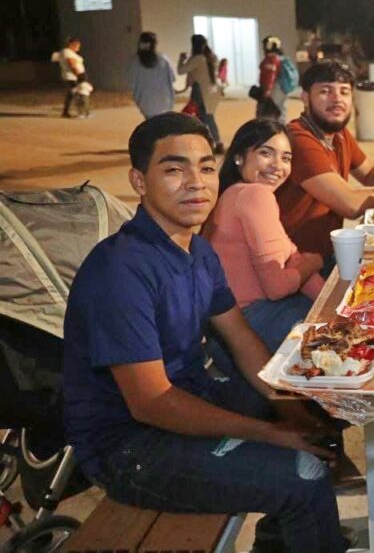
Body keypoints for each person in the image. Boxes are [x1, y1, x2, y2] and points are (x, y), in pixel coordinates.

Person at [62, 112, 349, 552]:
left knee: (323, 406)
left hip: (191, 397)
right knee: (304, 477)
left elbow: (241, 340)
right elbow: (151, 403)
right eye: (174, 169)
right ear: (139, 181)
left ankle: (290, 538)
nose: (196, 182)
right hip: (131, 447)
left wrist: (289, 408)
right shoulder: (120, 270)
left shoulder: (197, 250)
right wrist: (271, 433)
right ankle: (305, 525)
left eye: (206, 167)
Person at [203, 118, 325, 380]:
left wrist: (333, 308)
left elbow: (293, 257)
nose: (277, 166)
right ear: (238, 157)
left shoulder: (235, 193)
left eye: (286, 157)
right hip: (249, 329)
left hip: (229, 332)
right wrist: (313, 264)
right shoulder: (254, 196)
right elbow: (277, 286)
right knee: (344, 348)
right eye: (265, 153)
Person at [276, 60, 374, 262]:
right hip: (296, 264)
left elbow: (370, 175)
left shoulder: (338, 134)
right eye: (325, 91)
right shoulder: (298, 139)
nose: (337, 100)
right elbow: (350, 205)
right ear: (305, 98)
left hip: (325, 252)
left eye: (344, 92)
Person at [178, 34, 224, 154]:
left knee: (204, 118)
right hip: (212, 92)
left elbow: (181, 70)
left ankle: (216, 143)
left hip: (201, 92)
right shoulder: (212, 57)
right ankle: (211, 142)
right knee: (205, 118)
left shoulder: (198, 59)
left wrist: (182, 59)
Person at [127, 31, 176, 119]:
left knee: (151, 126)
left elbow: (131, 83)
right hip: (165, 103)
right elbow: (172, 78)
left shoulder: (134, 61)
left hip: (145, 103)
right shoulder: (164, 59)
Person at [257, 36, 289, 124]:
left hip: (273, 90)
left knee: (268, 114)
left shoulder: (271, 59)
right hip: (280, 89)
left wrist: (267, 91)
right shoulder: (280, 58)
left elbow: (270, 76)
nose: (263, 47)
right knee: (280, 112)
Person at [58, 37, 86, 118]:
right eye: (77, 45)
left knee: (70, 94)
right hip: (72, 77)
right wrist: (79, 75)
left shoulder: (70, 53)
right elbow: (72, 64)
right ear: (71, 44)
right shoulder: (67, 52)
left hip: (73, 76)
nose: (78, 48)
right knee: (77, 93)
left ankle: (65, 112)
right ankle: (81, 112)